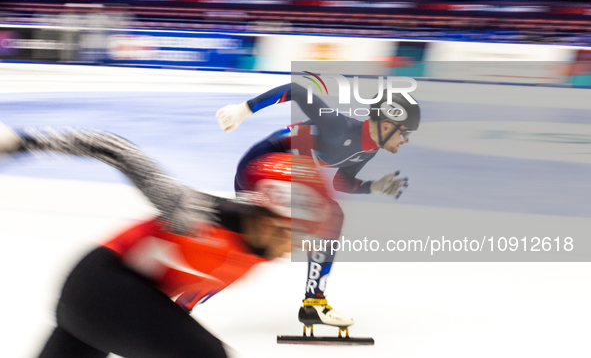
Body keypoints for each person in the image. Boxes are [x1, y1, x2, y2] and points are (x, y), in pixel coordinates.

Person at [0, 122, 333, 358]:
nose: (300, 246)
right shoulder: (195, 213)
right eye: (298, 233)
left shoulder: (257, 255)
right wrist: (24, 142)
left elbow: (171, 309)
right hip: (101, 287)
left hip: (100, 303)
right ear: (272, 222)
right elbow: (118, 150)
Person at [216, 81, 420, 331]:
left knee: (255, 248)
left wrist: (373, 186)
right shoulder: (339, 127)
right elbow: (296, 90)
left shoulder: (369, 150)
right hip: (263, 163)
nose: (406, 140)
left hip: (271, 173)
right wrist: (244, 109)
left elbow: (342, 182)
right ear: (387, 125)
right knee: (331, 214)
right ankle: (314, 303)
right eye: (405, 133)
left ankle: (188, 296)